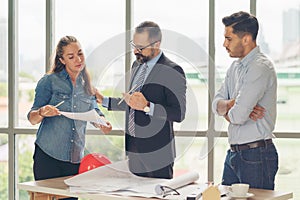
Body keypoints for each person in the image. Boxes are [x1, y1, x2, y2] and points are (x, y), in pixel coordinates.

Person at [96, 21, 186, 179]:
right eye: (134, 45)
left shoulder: (172, 70)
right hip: (133, 151)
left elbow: (178, 113)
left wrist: (148, 106)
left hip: (158, 155)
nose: (135, 51)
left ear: (157, 44)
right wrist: (104, 101)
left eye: (141, 47)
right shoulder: (136, 66)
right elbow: (133, 103)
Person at [28, 36, 112, 198]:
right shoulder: (49, 81)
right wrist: (41, 112)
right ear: (62, 60)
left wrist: (102, 122)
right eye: (71, 56)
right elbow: (32, 118)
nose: (78, 59)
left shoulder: (87, 84)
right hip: (48, 156)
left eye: (80, 54)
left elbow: (95, 111)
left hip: (75, 159)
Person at [212, 11, 278, 190]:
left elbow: (238, 117)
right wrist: (232, 104)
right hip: (234, 153)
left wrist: (229, 109)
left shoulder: (260, 67)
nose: (224, 44)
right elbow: (215, 103)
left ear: (246, 39)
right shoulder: (234, 68)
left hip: (256, 155)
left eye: (229, 38)